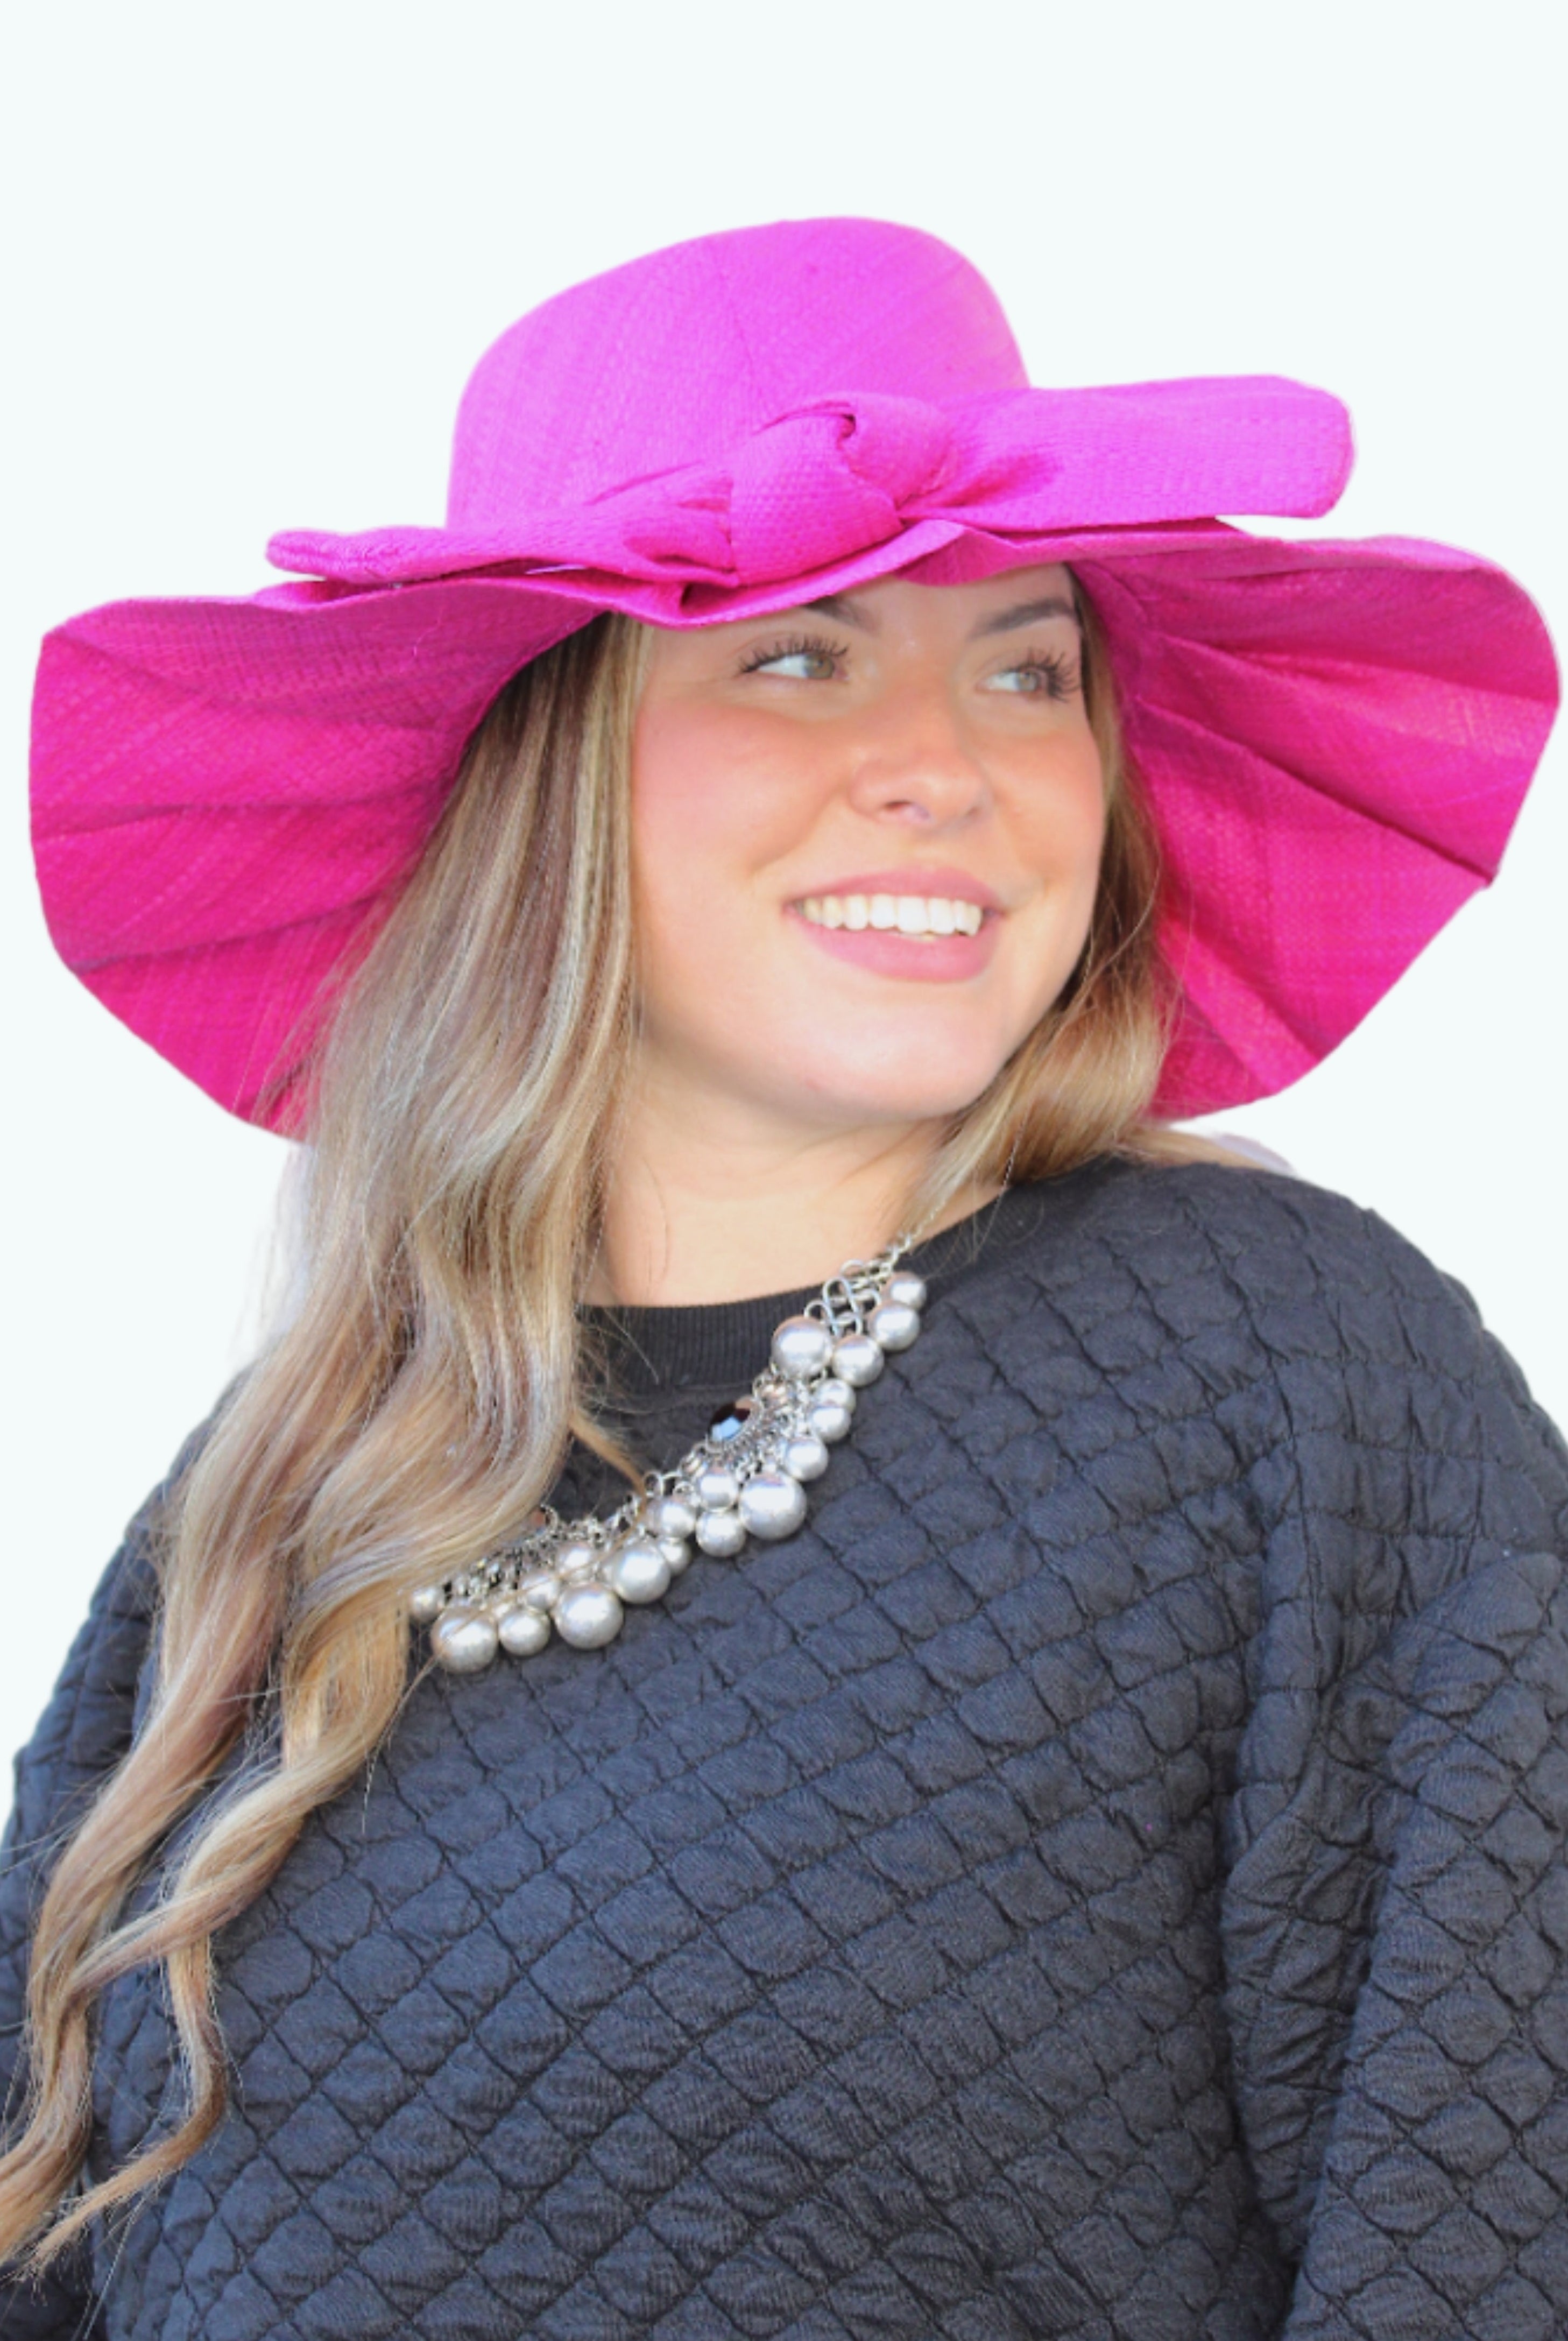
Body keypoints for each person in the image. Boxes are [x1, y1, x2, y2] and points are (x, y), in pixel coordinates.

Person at [2, 216, 1563, 2340]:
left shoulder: (1294, 1381)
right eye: (798, 653)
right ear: (551, 770)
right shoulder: (290, 1472)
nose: (960, 764)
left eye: (1030, 666)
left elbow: (1493, 2225)